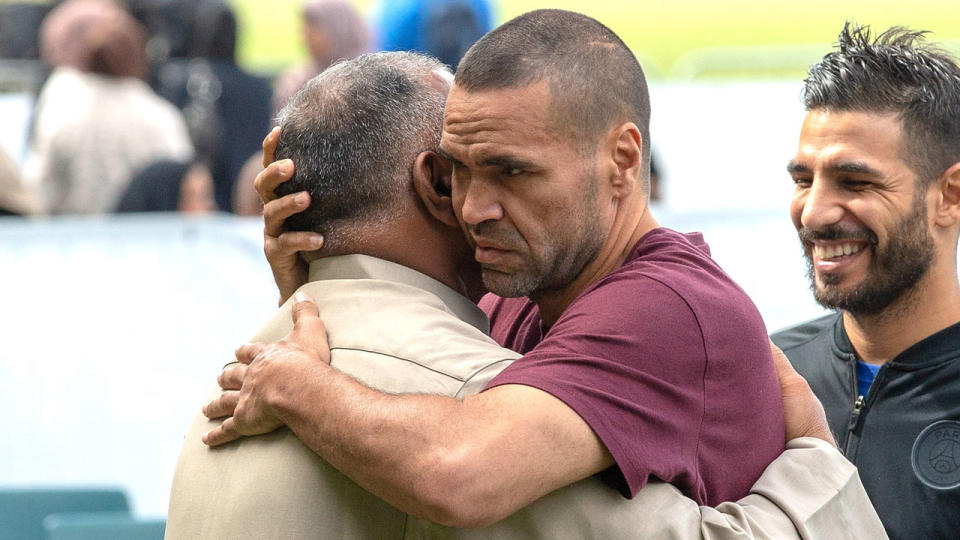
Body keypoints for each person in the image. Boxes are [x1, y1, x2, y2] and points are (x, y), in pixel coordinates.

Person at [173, 50, 885, 540]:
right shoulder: (476, 403)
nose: (483, 206)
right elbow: (457, 469)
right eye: (468, 170)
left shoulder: (230, 395)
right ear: (435, 182)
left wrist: (312, 296)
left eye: (509, 170)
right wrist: (817, 458)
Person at [772, 23, 960, 539]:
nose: (814, 213)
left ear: (950, 196)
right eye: (803, 180)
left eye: (855, 183)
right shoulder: (763, 374)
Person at [24, 0, 193, 214]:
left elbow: (41, 189)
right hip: (146, 240)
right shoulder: (161, 117)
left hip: (74, 239)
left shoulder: (62, 110)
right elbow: (185, 184)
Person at [271, 0, 371, 114]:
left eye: (313, 29)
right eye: (304, 29)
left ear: (339, 29)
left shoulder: (370, 79)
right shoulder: (295, 82)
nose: (306, 38)